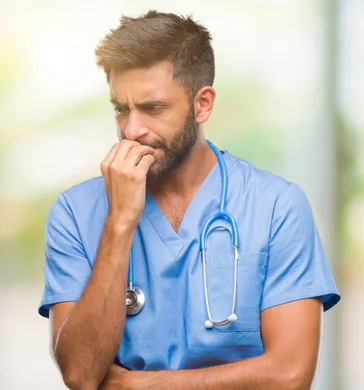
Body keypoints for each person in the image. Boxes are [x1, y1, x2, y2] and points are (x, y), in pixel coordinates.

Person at [38, 10, 340, 390]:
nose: (131, 130)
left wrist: (138, 385)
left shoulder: (277, 207)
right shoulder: (74, 213)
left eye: (153, 108)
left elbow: (289, 375)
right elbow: (81, 375)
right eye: (121, 108)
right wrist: (119, 223)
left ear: (203, 104)